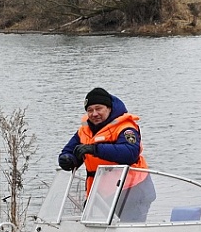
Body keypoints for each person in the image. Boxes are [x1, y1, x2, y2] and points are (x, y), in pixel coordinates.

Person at [58, 88, 155, 222]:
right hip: (100, 194)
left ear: (109, 108)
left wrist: (95, 149)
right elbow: (70, 151)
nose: (94, 113)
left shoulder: (125, 127)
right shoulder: (84, 131)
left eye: (99, 108)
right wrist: (68, 160)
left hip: (132, 190)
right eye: (90, 110)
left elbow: (130, 153)